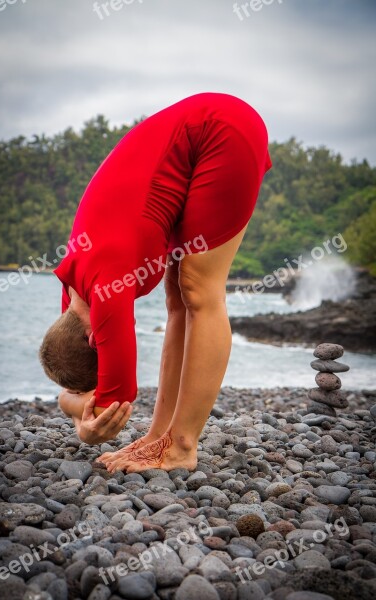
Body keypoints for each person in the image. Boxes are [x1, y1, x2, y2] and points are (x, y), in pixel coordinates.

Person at [39, 91, 272, 473]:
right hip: (193, 130)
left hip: (221, 132)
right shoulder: (72, 285)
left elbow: (117, 403)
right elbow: (87, 395)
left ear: (94, 338)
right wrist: (77, 402)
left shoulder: (105, 293)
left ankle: (181, 448)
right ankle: (159, 436)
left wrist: (85, 426)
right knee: (177, 298)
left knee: (199, 289)